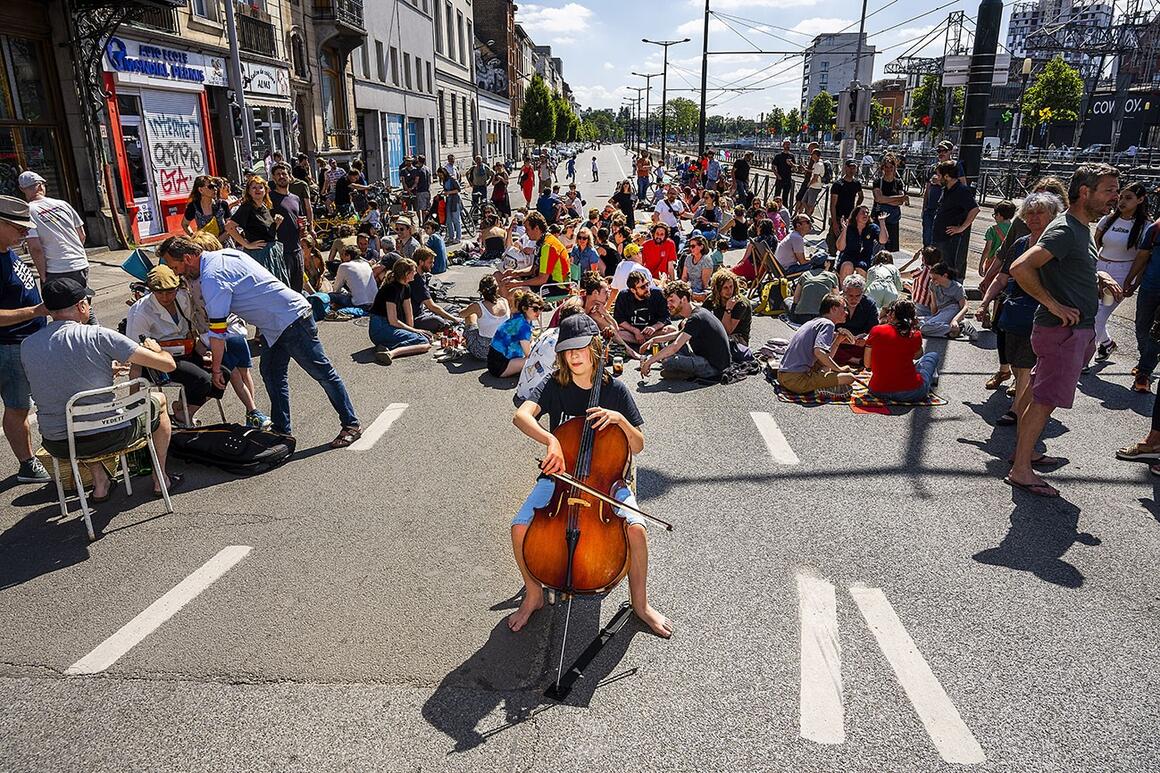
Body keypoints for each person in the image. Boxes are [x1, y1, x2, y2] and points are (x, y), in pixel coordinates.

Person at [508, 313, 670, 637]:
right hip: (560, 478)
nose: (574, 356)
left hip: (606, 480)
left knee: (637, 529)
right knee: (520, 526)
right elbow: (521, 415)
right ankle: (535, 594)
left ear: (595, 347)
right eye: (568, 351)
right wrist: (551, 439)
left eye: (580, 348)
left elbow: (637, 446)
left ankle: (641, 604)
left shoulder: (615, 390)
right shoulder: (555, 385)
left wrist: (620, 420)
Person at [158, 236, 362, 448]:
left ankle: (351, 425)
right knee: (272, 373)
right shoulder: (224, 255)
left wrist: (216, 369)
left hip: (291, 321)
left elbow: (218, 331)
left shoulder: (212, 277)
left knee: (323, 373)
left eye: (175, 266)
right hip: (277, 324)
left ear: (189, 258)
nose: (176, 272)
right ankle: (281, 431)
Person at [1007, 164, 1121, 497]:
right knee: (1044, 400)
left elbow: (1068, 266)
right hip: (1061, 332)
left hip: (1068, 332)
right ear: (1085, 192)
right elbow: (1020, 267)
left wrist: (1097, 278)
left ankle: (1023, 456)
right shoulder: (1067, 229)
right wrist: (1054, 305)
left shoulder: (1081, 227)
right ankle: (1021, 470)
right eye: (1109, 190)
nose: (1114, 197)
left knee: (1036, 392)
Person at [22, 278, 180, 498]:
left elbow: (57, 380)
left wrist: (103, 370)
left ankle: (100, 483)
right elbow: (167, 365)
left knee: (79, 416)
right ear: (81, 306)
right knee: (158, 401)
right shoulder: (98, 335)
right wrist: (158, 349)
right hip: (111, 434)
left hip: (58, 443)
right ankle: (160, 477)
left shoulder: (27, 345)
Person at [976, 191, 1065, 426]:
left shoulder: (1058, 245)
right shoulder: (1019, 244)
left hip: (1042, 315)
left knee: (1026, 364)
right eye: (1030, 213)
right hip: (1015, 312)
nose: (1034, 218)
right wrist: (984, 303)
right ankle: (1026, 403)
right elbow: (1002, 278)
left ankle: (1017, 410)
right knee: (1017, 363)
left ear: (1053, 216)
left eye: (1040, 213)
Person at [125, 265, 243, 426]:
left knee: (223, 372)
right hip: (159, 361)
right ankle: (183, 411)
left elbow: (195, 327)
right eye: (160, 293)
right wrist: (134, 401)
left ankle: (184, 413)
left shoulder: (183, 297)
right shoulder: (140, 311)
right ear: (151, 290)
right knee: (203, 380)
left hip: (186, 350)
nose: (166, 297)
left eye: (170, 291)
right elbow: (134, 352)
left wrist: (203, 349)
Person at [0, 196, 50, 483]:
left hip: (24, 340)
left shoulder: (7, 251)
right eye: (18, 227)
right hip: (9, 345)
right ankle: (27, 464)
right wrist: (36, 310)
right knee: (18, 406)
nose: (25, 232)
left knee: (24, 404)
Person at [1093, 182, 1149, 361]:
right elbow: (1094, 246)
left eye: (1129, 198)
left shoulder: (1145, 226)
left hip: (1120, 274)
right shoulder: (1107, 220)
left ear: (1140, 200)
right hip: (1099, 270)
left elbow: (1143, 259)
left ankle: (1082, 359)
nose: (1122, 201)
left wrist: (1132, 281)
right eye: (1121, 196)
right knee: (1090, 312)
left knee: (1099, 316)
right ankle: (1108, 344)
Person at [637, 280, 731, 381]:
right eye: (667, 301)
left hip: (713, 367)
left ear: (684, 299)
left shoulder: (696, 318)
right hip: (707, 358)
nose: (668, 305)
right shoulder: (697, 312)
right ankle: (682, 371)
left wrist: (649, 362)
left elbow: (675, 347)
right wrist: (653, 340)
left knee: (668, 361)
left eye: (672, 301)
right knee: (670, 347)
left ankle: (686, 373)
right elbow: (678, 334)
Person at [776, 293, 858, 396]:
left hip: (783, 376)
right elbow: (819, 352)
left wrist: (838, 340)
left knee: (826, 367)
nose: (846, 312)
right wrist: (838, 369)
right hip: (796, 380)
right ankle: (822, 389)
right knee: (850, 378)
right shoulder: (828, 324)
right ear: (833, 309)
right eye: (844, 308)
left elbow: (824, 358)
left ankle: (822, 383)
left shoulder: (815, 322)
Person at [19, 171, 90, 289]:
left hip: (56, 269)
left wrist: (43, 276)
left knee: (61, 306)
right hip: (80, 264)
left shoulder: (28, 212)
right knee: (82, 303)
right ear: (41, 186)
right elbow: (81, 235)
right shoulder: (63, 204)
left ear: (22, 189)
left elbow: (35, 248)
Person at [865, 299, 941, 402]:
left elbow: (867, 364)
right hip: (910, 392)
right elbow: (917, 355)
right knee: (932, 355)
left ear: (892, 314)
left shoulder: (876, 330)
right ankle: (931, 379)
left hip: (877, 390)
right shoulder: (914, 334)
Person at [225, 176, 288, 286]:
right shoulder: (247, 207)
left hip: (272, 253)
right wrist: (247, 244)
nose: (258, 190)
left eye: (260, 187)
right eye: (254, 187)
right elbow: (229, 227)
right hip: (259, 254)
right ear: (249, 191)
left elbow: (266, 233)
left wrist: (276, 224)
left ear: (265, 190)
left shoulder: (265, 206)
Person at [368, 257, 433, 364]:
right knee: (424, 343)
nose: (415, 273)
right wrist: (415, 332)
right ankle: (391, 353)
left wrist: (413, 331)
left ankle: (386, 346)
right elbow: (393, 320)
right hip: (380, 327)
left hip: (389, 325)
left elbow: (409, 313)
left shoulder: (406, 287)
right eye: (414, 271)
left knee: (424, 338)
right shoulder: (391, 289)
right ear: (407, 274)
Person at [496, 212, 569, 302]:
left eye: (527, 229)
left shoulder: (548, 246)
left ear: (536, 228)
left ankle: (518, 314)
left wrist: (517, 284)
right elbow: (533, 269)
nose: (525, 232)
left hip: (556, 287)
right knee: (501, 279)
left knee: (513, 294)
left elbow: (542, 279)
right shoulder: (542, 241)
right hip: (545, 281)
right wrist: (515, 273)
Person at [930, 159, 980, 279]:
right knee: (938, 266)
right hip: (940, 235)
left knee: (947, 268)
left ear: (947, 176)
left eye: (939, 175)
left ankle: (949, 293)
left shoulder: (961, 190)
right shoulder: (946, 189)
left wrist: (961, 228)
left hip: (949, 239)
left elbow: (975, 209)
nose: (937, 177)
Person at [269, 163, 306, 293]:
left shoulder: (295, 198)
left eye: (284, 173)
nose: (281, 176)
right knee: (285, 289)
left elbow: (299, 222)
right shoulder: (270, 198)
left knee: (298, 288)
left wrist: (304, 227)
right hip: (281, 251)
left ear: (289, 177)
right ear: (273, 178)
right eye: (278, 174)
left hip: (296, 249)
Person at [488, 289, 542, 377]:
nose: (539, 312)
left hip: (494, 360)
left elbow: (529, 341)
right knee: (535, 359)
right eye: (535, 309)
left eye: (541, 308)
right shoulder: (524, 326)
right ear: (524, 308)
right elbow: (529, 354)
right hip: (499, 366)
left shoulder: (520, 317)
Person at [922, 141, 965, 248]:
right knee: (927, 241)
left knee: (940, 243)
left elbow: (963, 186)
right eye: (939, 151)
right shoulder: (933, 167)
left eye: (944, 151)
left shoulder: (956, 166)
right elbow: (927, 190)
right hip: (930, 210)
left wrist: (941, 183)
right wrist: (924, 209)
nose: (941, 153)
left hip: (945, 211)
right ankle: (927, 263)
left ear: (950, 151)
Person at [614, 270, 671, 347]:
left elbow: (665, 317)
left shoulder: (658, 294)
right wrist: (635, 331)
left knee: (671, 329)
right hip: (632, 332)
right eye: (642, 287)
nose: (647, 288)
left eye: (647, 284)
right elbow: (619, 319)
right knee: (615, 332)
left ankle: (642, 341)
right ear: (633, 290)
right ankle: (650, 341)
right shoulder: (623, 296)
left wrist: (654, 327)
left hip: (652, 332)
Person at [460, 275, 511, 360]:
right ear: (496, 289)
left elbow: (462, 314)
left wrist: (467, 309)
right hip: (505, 349)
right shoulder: (504, 301)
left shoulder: (477, 306)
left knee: (470, 315)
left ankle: (469, 343)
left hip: (484, 352)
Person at [920, 264, 976, 339]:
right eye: (931, 278)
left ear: (945, 276)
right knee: (918, 322)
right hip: (941, 312)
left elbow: (965, 307)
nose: (932, 281)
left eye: (935, 278)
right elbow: (934, 304)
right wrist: (934, 317)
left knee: (925, 328)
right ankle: (953, 331)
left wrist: (955, 320)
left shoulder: (957, 287)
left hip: (952, 310)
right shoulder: (933, 284)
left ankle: (960, 328)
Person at [409, 247, 459, 332]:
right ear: (421, 262)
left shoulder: (422, 276)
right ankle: (448, 322)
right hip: (416, 317)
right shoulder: (417, 280)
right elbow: (431, 306)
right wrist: (454, 319)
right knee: (438, 321)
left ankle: (448, 320)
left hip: (423, 312)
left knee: (453, 307)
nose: (432, 265)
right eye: (430, 262)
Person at [834, 274, 878, 365]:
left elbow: (874, 329)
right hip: (839, 344)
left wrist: (865, 339)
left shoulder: (869, 305)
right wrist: (840, 338)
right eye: (850, 295)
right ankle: (855, 360)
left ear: (863, 293)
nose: (853, 299)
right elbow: (827, 325)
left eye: (857, 296)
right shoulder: (835, 303)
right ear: (844, 292)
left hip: (860, 345)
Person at [704, 268, 751, 345]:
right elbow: (700, 316)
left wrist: (728, 309)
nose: (729, 291)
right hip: (718, 332)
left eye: (731, 286)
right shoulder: (712, 299)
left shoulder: (740, 304)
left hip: (737, 339)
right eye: (725, 288)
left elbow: (726, 331)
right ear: (718, 289)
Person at [872, 153, 908, 253]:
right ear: (882, 168)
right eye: (886, 167)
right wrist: (898, 198)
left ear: (894, 168)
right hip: (879, 218)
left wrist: (886, 199)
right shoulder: (878, 181)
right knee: (877, 246)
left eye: (891, 167)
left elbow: (900, 202)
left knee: (890, 248)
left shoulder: (898, 182)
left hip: (893, 219)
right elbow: (878, 199)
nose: (888, 170)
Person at [828, 160, 864, 256]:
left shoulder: (856, 183)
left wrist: (856, 208)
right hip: (839, 217)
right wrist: (835, 223)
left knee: (849, 244)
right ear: (845, 168)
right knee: (833, 244)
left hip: (850, 219)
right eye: (850, 168)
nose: (852, 170)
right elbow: (832, 205)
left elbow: (861, 196)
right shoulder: (838, 184)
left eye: (854, 168)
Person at [789, 255, 839, 324]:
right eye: (828, 261)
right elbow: (837, 297)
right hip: (821, 317)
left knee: (787, 301)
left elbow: (796, 297)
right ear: (825, 263)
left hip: (802, 317)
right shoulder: (832, 276)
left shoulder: (805, 275)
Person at [326, 246, 377, 310]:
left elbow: (336, 289)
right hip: (374, 303)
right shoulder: (366, 264)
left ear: (348, 256)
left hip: (359, 304)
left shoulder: (344, 266)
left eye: (343, 255)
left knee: (331, 296)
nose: (342, 258)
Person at [979, 200, 1016, 278]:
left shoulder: (992, 229)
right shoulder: (1014, 229)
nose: (995, 217)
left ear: (999, 214)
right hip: (1007, 264)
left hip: (992, 263)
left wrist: (981, 264)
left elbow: (987, 248)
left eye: (995, 215)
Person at [770, 215, 812, 279]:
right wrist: (814, 259)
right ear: (798, 225)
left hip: (780, 269)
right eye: (808, 222)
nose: (810, 224)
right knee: (818, 265)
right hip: (787, 271)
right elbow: (802, 261)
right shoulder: (797, 238)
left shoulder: (793, 235)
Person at [681, 234, 714, 300]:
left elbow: (704, 284)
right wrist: (682, 287)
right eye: (690, 246)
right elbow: (684, 277)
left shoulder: (706, 260)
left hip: (699, 291)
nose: (691, 248)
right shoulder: (688, 258)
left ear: (701, 247)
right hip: (688, 288)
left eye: (693, 246)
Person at [798, 148, 825, 219]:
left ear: (815, 155)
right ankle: (806, 216)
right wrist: (805, 169)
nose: (811, 156)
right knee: (803, 201)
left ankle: (807, 218)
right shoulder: (816, 163)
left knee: (810, 204)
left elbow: (815, 178)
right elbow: (813, 171)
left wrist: (809, 184)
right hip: (812, 186)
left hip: (815, 187)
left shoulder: (818, 164)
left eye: (812, 154)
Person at [438, 168, 464, 244]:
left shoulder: (452, 179)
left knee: (456, 219)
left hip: (455, 200)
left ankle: (458, 237)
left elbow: (458, 190)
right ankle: (451, 236)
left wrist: (449, 192)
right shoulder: (444, 180)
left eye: (441, 175)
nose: (441, 177)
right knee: (448, 219)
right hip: (448, 200)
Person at [772, 140, 796, 206]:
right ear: (783, 145)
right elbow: (773, 167)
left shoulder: (791, 156)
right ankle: (773, 209)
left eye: (789, 145)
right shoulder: (778, 156)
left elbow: (794, 168)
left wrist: (791, 164)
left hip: (788, 179)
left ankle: (785, 212)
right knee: (777, 196)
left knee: (785, 197)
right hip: (780, 179)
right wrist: (777, 175)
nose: (788, 146)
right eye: (786, 144)